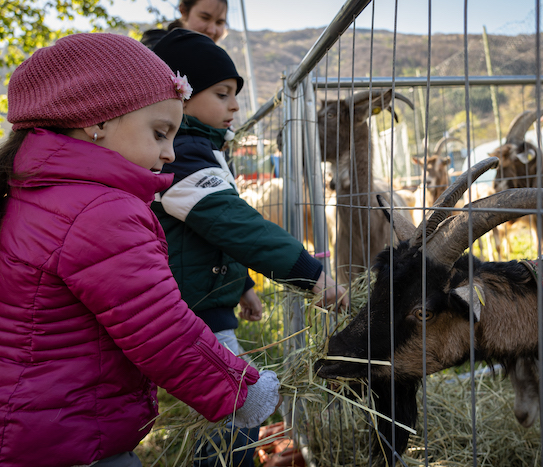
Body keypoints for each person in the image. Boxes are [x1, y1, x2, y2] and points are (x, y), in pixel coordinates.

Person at [0, 33, 280, 467]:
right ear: (97, 121)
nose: (170, 154)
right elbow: (160, 328)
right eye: (160, 133)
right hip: (72, 436)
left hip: (32, 420)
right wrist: (241, 389)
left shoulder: (35, 192)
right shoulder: (100, 211)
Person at [150, 29, 349, 467]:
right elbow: (234, 225)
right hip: (193, 313)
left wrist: (242, 286)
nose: (235, 106)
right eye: (222, 94)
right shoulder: (182, 155)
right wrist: (312, 275)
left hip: (203, 304)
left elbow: (206, 234)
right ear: (181, 97)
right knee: (242, 406)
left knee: (230, 410)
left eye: (235, 95)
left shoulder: (200, 149)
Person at [141, 0, 228, 48]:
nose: (212, 30)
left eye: (219, 22)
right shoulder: (155, 42)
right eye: (204, 18)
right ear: (183, 11)